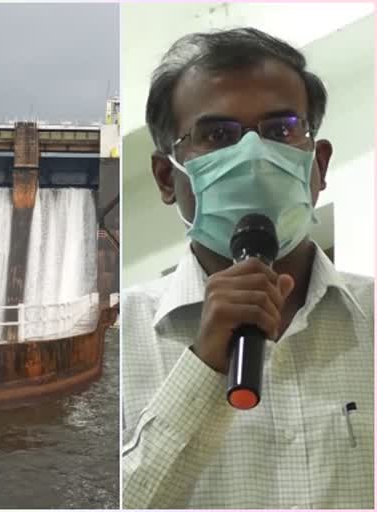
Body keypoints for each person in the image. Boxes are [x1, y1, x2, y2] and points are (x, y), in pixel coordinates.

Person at [122, 27, 373, 509]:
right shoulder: (123, 333)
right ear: (165, 176)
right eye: (218, 135)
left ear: (317, 164)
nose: (254, 157)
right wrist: (203, 365)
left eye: (281, 130)